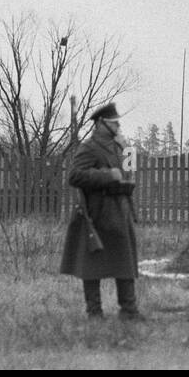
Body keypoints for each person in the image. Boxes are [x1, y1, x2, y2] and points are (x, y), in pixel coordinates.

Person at [59, 102, 142, 320]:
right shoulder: (89, 147)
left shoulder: (119, 146)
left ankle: (129, 310)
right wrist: (106, 175)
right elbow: (74, 176)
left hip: (119, 211)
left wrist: (126, 151)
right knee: (92, 265)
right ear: (101, 123)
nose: (118, 126)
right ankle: (94, 312)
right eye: (114, 123)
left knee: (125, 262)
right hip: (97, 213)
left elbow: (128, 173)